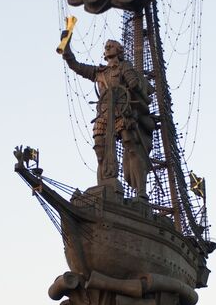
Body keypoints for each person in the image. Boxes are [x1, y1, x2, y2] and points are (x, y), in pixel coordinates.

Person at [62, 39, 154, 196]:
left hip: (122, 111)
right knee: (100, 148)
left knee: (130, 144)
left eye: (111, 46)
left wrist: (133, 82)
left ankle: (141, 190)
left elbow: (135, 85)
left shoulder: (125, 67)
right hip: (104, 113)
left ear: (118, 50)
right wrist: (66, 48)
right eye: (106, 47)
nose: (107, 48)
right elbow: (75, 66)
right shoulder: (99, 72)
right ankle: (105, 184)